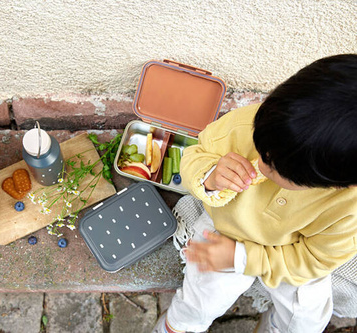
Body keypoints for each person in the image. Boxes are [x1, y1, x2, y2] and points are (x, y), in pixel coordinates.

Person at [153, 54, 357, 333]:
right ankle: (178, 326)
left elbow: (313, 261)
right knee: (202, 296)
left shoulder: (349, 207)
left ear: (333, 184)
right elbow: (195, 154)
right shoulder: (258, 122)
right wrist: (210, 174)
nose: (260, 162)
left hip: (291, 248)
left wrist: (244, 259)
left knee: (307, 320)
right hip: (226, 229)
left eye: (275, 168)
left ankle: (274, 327)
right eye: (263, 149)